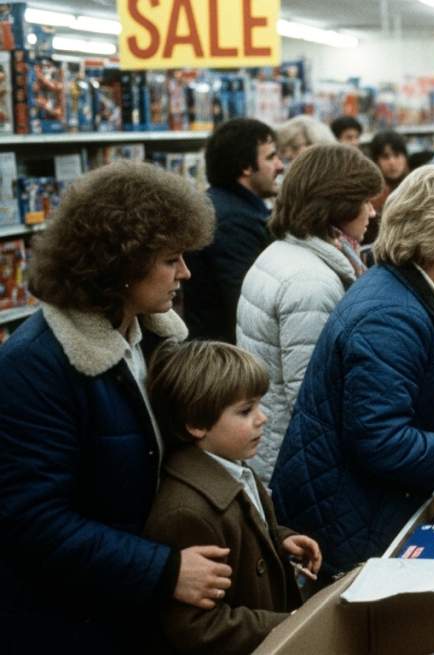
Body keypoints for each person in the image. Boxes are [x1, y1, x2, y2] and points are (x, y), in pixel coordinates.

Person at [0, 162, 229, 653]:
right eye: (172, 259)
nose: (185, 273)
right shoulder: (37, 365)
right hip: (71, 621)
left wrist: (264, 531)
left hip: (129, 603)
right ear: (122, 264)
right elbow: (32, 519)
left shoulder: (148, 339)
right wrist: (165, 570)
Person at [270, 165, 434, 580]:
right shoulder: (390, 316)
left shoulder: (399, 292)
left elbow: (395, 391)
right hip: (350, 519)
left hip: (355, 504)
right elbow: (378, 438)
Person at [144, 341, 321, 655]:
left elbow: (246, 531)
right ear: (196, 424)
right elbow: (198, 627)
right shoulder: (187, 512)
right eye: (245, 410)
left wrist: (280, 540)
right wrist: (291, 622)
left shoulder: (234, 467)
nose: (262, 418)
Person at [236, 144, 382, 483]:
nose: (372, 213)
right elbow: (312, 397)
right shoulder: (311, 283)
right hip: (297, 467)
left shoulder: (283, 252)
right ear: (338, 206)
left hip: (273, 451)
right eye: (364, 201)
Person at [183, 118, 284, 344]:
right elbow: (248, 305)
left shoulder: (225, 207)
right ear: (245, 166)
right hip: (227, 359)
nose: (280, 166)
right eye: (271, 157)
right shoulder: (233, 220)